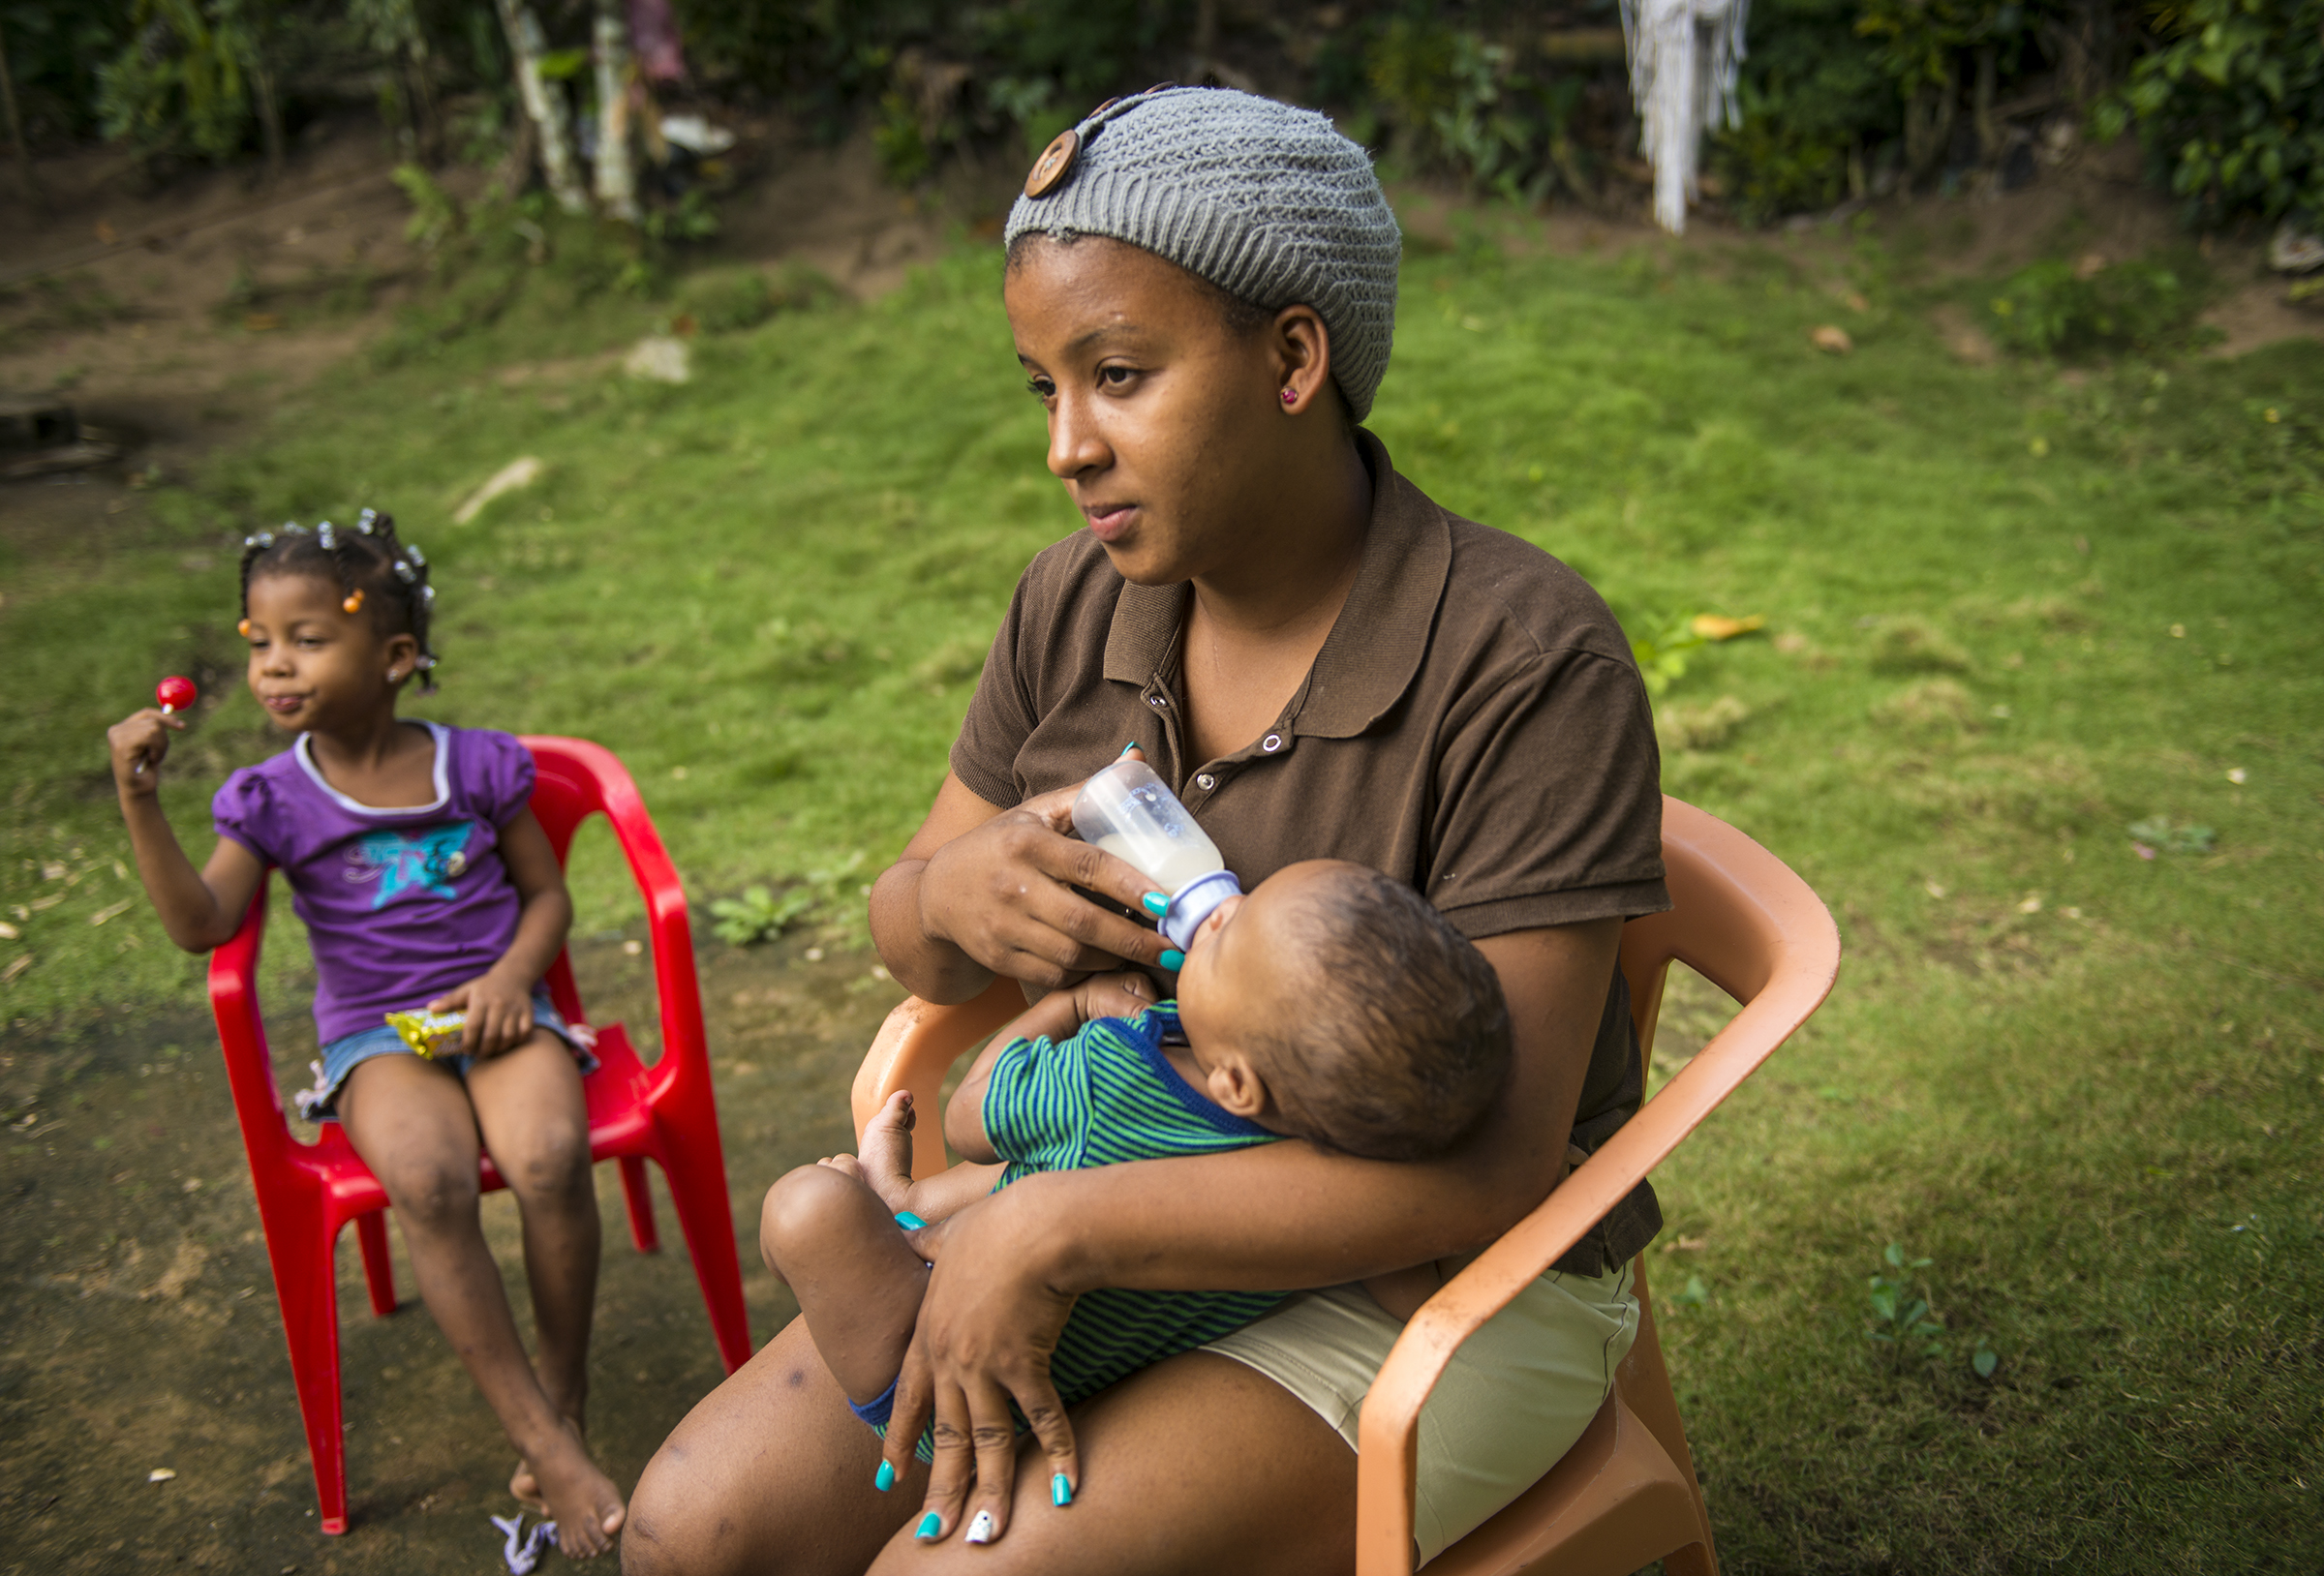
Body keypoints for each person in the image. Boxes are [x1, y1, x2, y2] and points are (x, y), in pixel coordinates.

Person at [626, 84, 1667, 1575]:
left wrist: (1054, 1240)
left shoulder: (1523, 660)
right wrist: (957, 898)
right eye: (1043, 389)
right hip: (1078, 1215)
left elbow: (1495, 1169)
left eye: (1116, 374)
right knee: (687, 1534)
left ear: (1293, 356)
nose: (1067, 446)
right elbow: (908, 936)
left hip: (1429, 1283)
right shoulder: (1075, 602)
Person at [106, 514, 627, 1560]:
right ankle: (543, 1441)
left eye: (304, 638)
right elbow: (202, 926)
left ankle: (561, 1391)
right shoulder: (272, 801)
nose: (272, 664)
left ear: (394, 658)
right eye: (258, 641)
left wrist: (513, 978)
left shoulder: (477, 766)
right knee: (428, 1180)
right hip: (375, 1039)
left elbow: (546, 898)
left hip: (500, 1009)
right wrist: (138, 796)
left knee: (549, 1155)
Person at [760, 858, 1514, 1540]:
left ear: (1238, 1084)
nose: (1220, 907)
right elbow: (1409, 1290)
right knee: (1039, 1180)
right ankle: (898, 1205)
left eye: (1226, 938)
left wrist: (1076, 1005)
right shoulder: (1312, 1192)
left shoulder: (1115, 1071)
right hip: (1100, 1379)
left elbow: (971, 1120)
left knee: (806, 1208)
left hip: (930, 1372)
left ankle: (891, 1207)